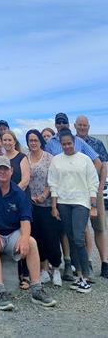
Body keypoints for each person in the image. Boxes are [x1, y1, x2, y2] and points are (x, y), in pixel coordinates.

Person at [0, 156, 56, 310]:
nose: (2, 171)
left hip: (12, 232)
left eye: (6, 168)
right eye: (0, 168)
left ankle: (36, 290)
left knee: (32, 243)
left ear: (12, 171)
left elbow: (25, 219)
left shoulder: (19, 193)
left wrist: (25, 238)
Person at [48, 129, 99, 293]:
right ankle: (78, 276)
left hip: (81, 203)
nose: (67, 146)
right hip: (63, 203)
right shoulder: (56, 160)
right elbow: (53, 183)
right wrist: (54, 206)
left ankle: (85, 276)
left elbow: (93, 182)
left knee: (78, 239)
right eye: (64, 144)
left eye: (69, 143)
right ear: (60, 145)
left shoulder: (84, 160)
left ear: (74, 142)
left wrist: (93, 205)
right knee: (70, 238)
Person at [25, 129, 62, 287]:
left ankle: (57, 269)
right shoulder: (25, 158)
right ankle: (44, 270)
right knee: (37, 237)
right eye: (30, 140)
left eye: (35, 140)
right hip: (31, 205)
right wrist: (31, 198)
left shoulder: (49, 158)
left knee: (51, 237)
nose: (33, 143)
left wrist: (44, 195)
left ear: (40, 141)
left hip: (47, 204)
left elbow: (53, 180)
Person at [74, 115, 108, 278]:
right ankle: (86, 262)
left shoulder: (97, 143)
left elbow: (104, 167)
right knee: (83, 228)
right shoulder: (71, 144)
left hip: (95, 190)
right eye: (79, 125)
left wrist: (100, 188)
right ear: (75, 126)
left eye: (84, 125)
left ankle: (104, 262)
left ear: (88, 127)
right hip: (78, 192)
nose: (82, 128)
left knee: (99, 227)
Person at [2, 130, 31, 288]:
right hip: (5, 204)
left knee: (24, 236)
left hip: (20, 200)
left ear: (14, 141)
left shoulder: (22, 157)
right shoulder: (0, 159)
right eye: (4, 140)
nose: (7, 142)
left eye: (9, 140)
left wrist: (12, 193)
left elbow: (25, 179)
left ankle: (25, 275)